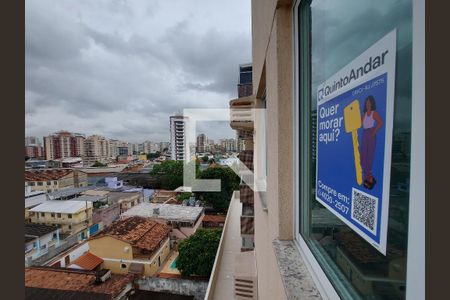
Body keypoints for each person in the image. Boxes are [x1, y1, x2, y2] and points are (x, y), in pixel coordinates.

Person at [360, 95, 383, 189]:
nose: (367, 104)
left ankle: (368, 178)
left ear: (372, 103)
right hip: (365, 134)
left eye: (369, 102)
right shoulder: (364, 115)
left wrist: (374, 132)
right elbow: (358, 124)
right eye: (366, 102)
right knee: (363, 155)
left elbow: (380, 122)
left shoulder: (374, 113)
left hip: (371, 133)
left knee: (370, 155)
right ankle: (367, 176)